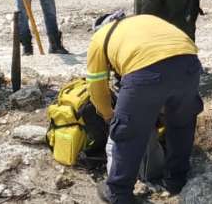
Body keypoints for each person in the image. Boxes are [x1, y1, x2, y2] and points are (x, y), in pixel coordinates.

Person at [87, 12, 203, 204]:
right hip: (189, 63)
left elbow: (96, 87)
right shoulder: (143, 20)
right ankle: (176, 180)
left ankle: (118, 193)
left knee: (128, 131)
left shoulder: (100, 38)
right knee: (181, 123)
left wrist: (109, 115)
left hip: (144, 72)